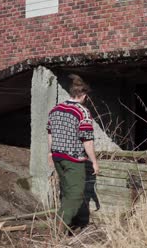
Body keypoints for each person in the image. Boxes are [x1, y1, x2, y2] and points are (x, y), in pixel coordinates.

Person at [46, 74, 99, 233]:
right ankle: (59, 228)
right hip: (73, 159)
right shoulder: (83, 112)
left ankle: (68, 223)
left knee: (67, 191)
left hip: (57, 157)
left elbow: (50, 133)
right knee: (75, 195)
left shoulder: (55, 109)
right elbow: (87, 140)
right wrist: (94, 161)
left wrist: (50, 153)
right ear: (83, 95)